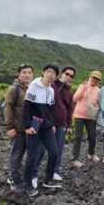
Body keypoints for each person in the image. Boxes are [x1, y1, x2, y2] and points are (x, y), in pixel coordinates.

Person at [22, 62, 62, 197]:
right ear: (43, 72)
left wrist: (52, 124)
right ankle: (28, 185)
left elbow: (50, 110)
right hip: (34, 126)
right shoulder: (34, 86)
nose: (51, 74)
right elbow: (26, 107)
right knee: (32, 156)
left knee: (54, 153)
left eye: (54, 73)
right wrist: (27, 126)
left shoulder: (51, 90)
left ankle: (48, 180)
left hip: (47, 127)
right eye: (49, 71)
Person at [32, 66, 76, 186]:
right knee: (40, 149)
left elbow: (69, 109)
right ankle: (33, 173)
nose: (68, 77)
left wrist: (68, 125)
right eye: (67, 74)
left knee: (58, 150)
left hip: (61, 124)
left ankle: (54, 171)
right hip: (47, 123)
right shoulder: (52, 85)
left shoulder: (69, 92)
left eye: (71, 76)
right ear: (62, 73)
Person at [4, 63, 34, 190]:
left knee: (30, 153)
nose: (27, 75)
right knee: (16, 153)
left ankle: (24, 175)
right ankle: (13, 178)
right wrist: (9, 127)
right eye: (24, 72)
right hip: (17, 128)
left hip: (30, 128)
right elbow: (8, 108)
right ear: (19, 74)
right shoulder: (13, 89)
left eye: (29, 72)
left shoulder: (33, 88)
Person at [72, 71, 102, 168]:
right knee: (78, 136)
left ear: (99, 81)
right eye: (93, 77)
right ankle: (75, 158)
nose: (94, 80)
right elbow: (74, 99)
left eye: (96, 79)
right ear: (90, 77)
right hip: (79, 115)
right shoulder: (82, 86)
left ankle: (91, 154)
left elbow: (100, 102)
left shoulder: (99, 90)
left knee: (92, 136)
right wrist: (83, 89)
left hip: (91, 116)